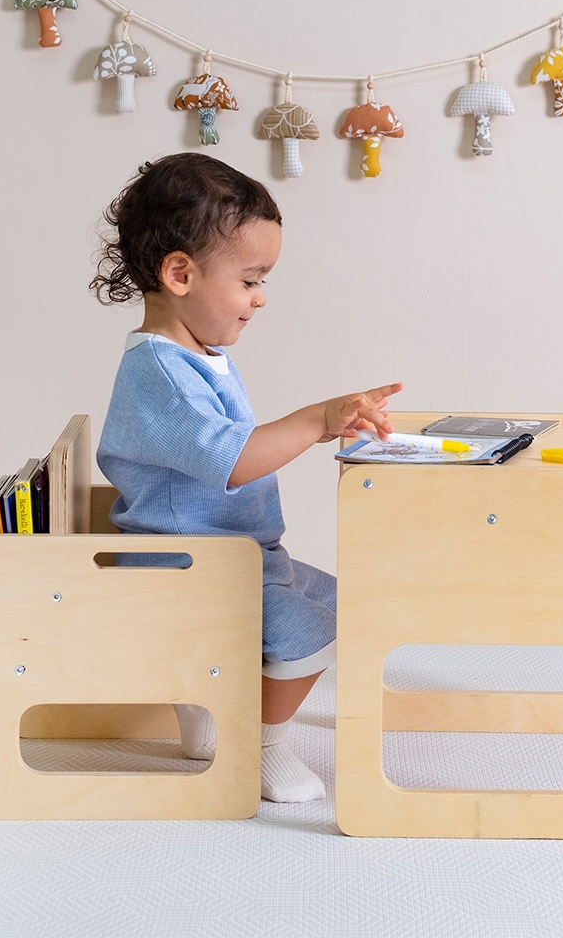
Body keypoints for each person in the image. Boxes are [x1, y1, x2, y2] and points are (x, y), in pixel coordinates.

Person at [91, 153, 401, 802]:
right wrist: (316, 420)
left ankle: (208, 716)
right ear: (181, 274)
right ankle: (257, 742)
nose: (260, 298)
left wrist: (326, 424)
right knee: (313, 633)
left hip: (240, 556)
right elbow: (231, 459)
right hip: (191, 567)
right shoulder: (161, 372)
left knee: (350, 604)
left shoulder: (197, 356)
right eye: (251, 280)